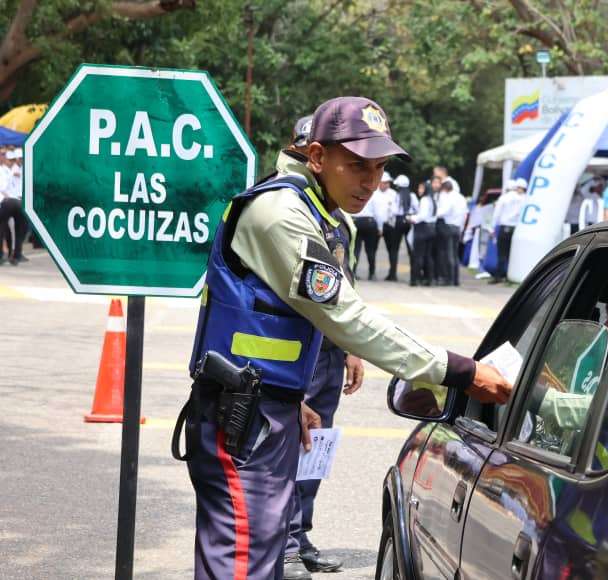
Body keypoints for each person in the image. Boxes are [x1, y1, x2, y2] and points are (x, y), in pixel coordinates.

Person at [176, 96, 511, 580]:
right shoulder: (280, 213)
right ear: (317, 156)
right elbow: (348, 319)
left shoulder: (317, 210)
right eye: (357, 166)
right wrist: (461, 371)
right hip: (241, 419)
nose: (370, 182)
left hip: (267, 410)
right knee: (242, 564)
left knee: (259, 559)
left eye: (378, 168)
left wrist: (290, 397)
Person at [278, 115, 364, 579]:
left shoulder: (336, 221)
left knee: (317, 447)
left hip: (330, 352)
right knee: (294, 443)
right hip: (301, 351)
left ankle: (301, 533)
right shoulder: (289, 210)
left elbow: (343, 286)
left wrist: (351, 348)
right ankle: (285, 542)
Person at [351, 172, 390, 280]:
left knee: (355, 249)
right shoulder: (374, 193)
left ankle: (353, 272)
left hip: (356, 221)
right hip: (369, 222)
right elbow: (378, 213)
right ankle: (372, 273)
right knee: (371, 250)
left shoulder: (354, 189)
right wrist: (380, 227)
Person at [488, 177, 527, 284]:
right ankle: (509, 276)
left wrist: (492, 228)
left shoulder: (505, 198)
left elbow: (497, 213)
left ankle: (498, 276)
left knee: (502, 253)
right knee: (512, 254)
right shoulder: (526, 199)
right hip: (517, 229)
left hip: (504, 227)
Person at [382, 173, 417, 282]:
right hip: (409, 221)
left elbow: (393, 211)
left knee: (394, 249)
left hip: (398, 222)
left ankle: (393, 274)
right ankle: (414, 275)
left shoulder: (397, 196)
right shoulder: (413, 196)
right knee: (411, 248)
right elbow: (417, 209)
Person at [434, 180, 467, 286]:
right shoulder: (461, 197)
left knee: (449, 254)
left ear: (445, 189)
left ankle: (450, 279)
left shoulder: (449, 197)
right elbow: (465, 214)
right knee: (454, 254)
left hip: (449, 226)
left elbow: (444, 211)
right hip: (458, 227)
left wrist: (433, 214)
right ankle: (456, 279)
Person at [409, 177, 438, 286]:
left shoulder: (425, 199)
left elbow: (422, 215)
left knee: (418, 255)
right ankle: (429, 279)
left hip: (423, 229)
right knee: (428, 255)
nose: (419, 190)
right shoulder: (433, 199)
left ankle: (415, 279)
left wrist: (411, 218)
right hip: (431, 228)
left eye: (421, 188)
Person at [0, 148, 26, 266]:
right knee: (5, 230)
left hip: (17, 201)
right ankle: (6, 254)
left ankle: (15, 254)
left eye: (12, 160)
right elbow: (3, 188)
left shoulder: (14, 170)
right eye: (9, 159)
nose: (11, 161)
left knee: (18, 230)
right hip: (6, 202)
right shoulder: (3, 171)